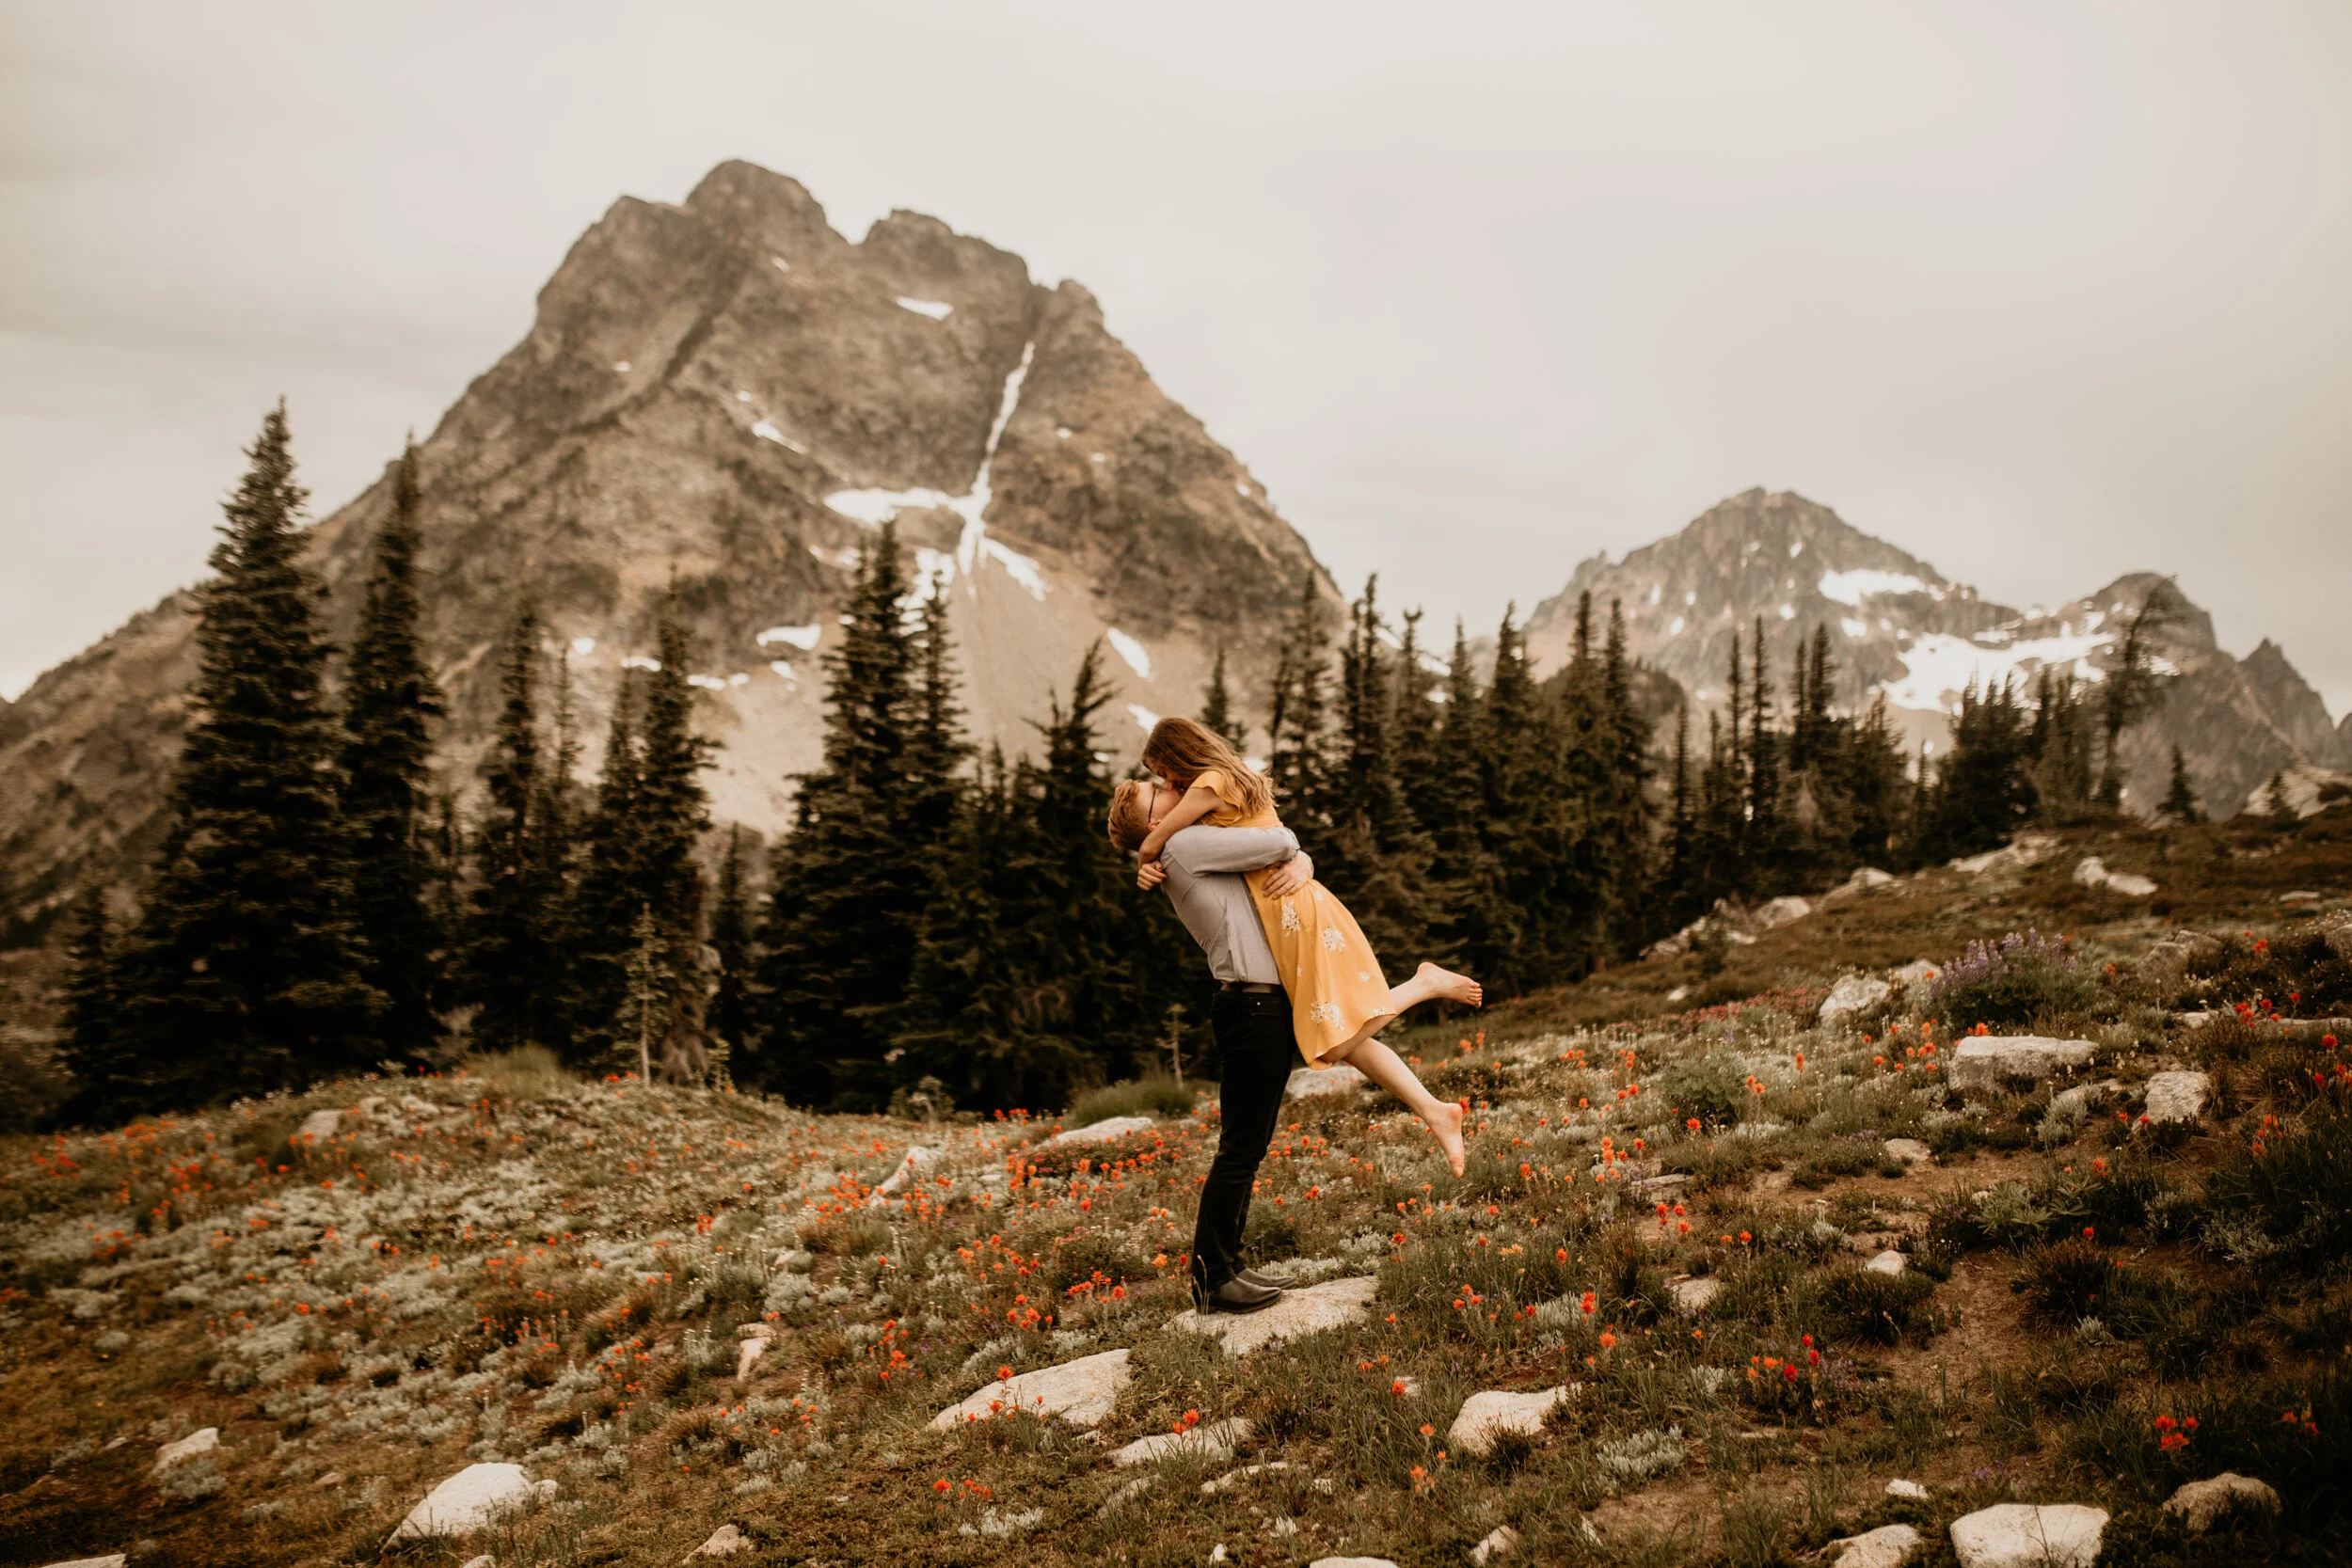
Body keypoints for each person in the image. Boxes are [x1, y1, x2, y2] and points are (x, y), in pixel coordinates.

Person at [1101, 781, 1317, 1315]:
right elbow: (1277, 839)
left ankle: (1227, 1265)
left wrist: (1303, 862)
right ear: (1155, 824)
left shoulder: (1183, 843)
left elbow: (1279, 850)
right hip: (1252, 1006)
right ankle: (1213, 1278)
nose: (1175, 790)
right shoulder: (1182, 846)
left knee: (1249, 1144)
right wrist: (1296, 852)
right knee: (1240, 1148)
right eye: (1161, 793)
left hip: (1259, 1004)